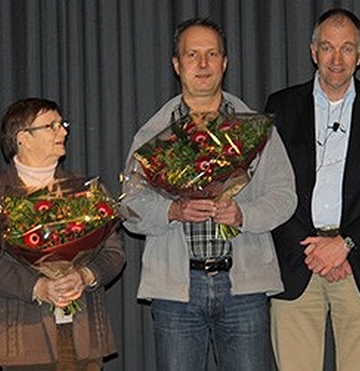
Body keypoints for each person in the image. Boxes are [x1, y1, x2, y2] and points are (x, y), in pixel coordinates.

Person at [121, 17, 296, 371]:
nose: (202, 64)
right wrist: (172, 210)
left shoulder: (255, 129)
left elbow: (284, 195)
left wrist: (244, 216)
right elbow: (129, 206)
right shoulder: (153, 134)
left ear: (225, 62)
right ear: (176, 64)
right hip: (176, 293)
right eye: (192, 55)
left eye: (211, 54)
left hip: (244, 289)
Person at [265, 8, 360, 371]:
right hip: (298, 262)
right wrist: (314, 250)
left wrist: (345, 245)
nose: (336, 59)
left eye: (346, 49)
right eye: (327, 47)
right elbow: (267, 187)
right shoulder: (280, 107)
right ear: (313, 52)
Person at [0, 98, 126, 370]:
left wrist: (86, 276)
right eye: (51, 126)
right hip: (25, 339)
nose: (63, 132)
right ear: (22, 138)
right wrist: (39, 287)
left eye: (62, 125)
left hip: (84, 333)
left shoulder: (85, 190)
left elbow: (115, 253)